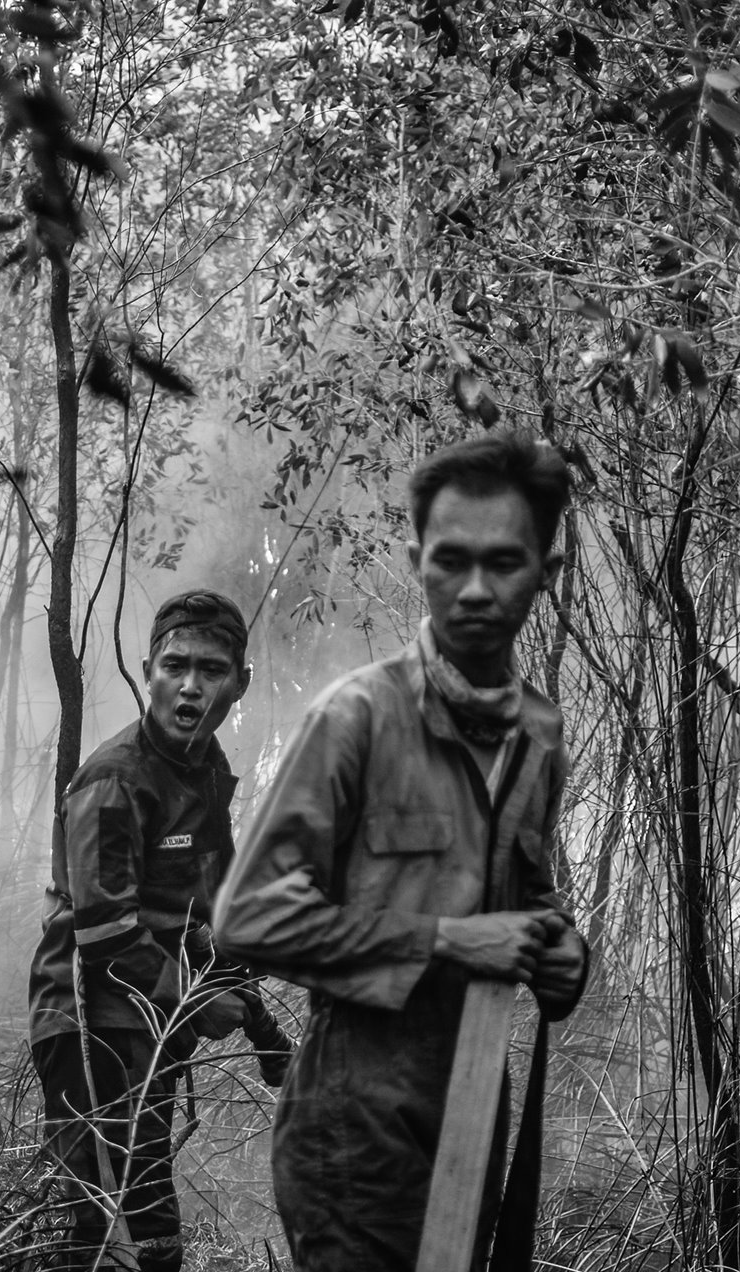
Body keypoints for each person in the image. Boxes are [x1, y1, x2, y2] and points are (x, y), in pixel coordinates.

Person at [214, 430, 590, 1272]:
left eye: (506, 563)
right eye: (451, 561)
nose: (476, 590)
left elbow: (526, 892)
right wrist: (444, 941)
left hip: (471, 1111)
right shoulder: (356, 719)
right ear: (419, 559)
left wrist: (560, 948)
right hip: (354, 1119)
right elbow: (245, 920)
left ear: (546, 572)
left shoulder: (541, 733)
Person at [27, 589, 292, 1272]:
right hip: (89, 1014)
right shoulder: (115, 779)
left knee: (147, 1223)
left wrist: (256, 1002)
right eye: (175, 666)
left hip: (152, 1015)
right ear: (149, 669)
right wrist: (199, 1000)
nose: (191, 686)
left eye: (211, 670)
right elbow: (108, 935)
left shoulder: (207, 775)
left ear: (240, 683)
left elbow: (209, 916)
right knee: (96, 1219)